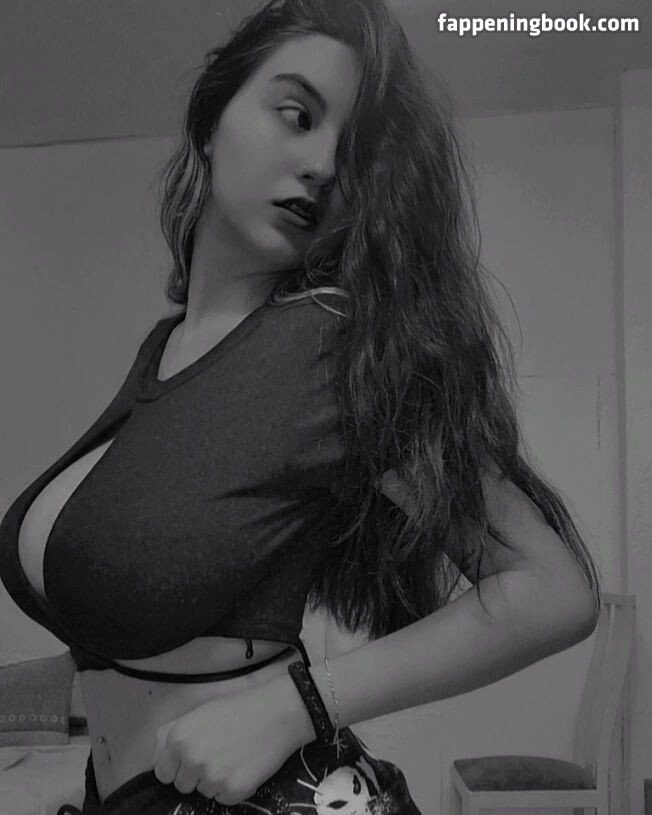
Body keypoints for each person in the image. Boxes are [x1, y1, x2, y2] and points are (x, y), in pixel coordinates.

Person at [0, 0, 601, 812]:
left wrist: (296, 706)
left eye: (352, 153)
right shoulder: (168, 347)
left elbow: (552, 588)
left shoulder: (333, 342)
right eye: (297, 114)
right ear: (211, 120)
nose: (322, 164)